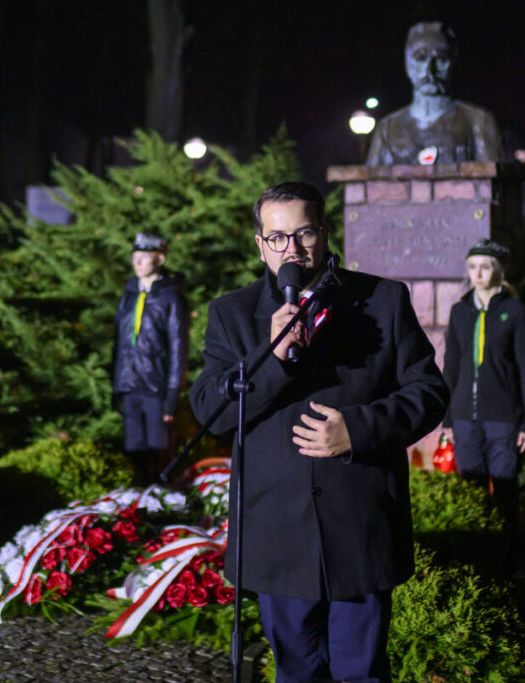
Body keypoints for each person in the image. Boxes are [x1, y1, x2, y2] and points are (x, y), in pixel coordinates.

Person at [190, 181, 448, 682]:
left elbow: (429, 393)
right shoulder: (232, 314)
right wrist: (271, 360)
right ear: (260, 244)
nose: (292, 249)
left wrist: (359, 429)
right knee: (296, 671)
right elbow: (212, 412)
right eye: (278, 237)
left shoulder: (383, 299)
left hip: (360, 527)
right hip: (277, 536)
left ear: (325, 234)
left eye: (304, 233)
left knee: (361, 671)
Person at [442, 238, 525, 538]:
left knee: (505, 488)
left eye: (485, 267)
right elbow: (451, 367)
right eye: (472, 267)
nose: (478, 274)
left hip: (503, 418)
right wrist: (446, 419)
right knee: (472, 490)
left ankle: (508, 558)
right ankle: (479, 555)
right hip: (464, 417)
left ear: (499, 271)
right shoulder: (460, 312)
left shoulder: (515, 312)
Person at [366, 22, 502, 165]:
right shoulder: (387, 130)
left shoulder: (478, 123)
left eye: (441, 59)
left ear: (452, 61)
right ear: (407, 61)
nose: (429, 70)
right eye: (420, 58)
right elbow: (368, 183)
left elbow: (494, 182)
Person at [112, 233, 188, 485]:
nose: (138, 263)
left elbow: (178, 347)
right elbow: (119, 342)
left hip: (155, 387)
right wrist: (116, 385)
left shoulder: (170, 296)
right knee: (134, 452)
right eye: (135, 257)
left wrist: (171, 395)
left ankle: (164, 504)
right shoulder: (129, 292)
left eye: (144, 257)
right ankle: (138, 506)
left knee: (159, 452)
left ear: (160, 258)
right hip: (129, 384)